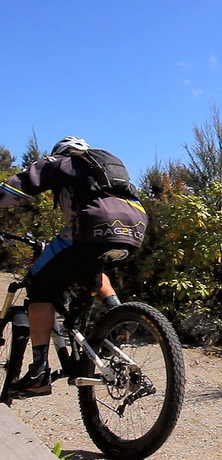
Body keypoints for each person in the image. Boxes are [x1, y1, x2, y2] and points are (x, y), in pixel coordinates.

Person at [0, 136, 147, 398]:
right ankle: (119, 316)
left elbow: (16, 190)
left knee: (40, 289)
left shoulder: (62, 161)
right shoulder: (105, 168)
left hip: (91, 226)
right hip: (135, 226)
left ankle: (38, 373)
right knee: (93, 269)